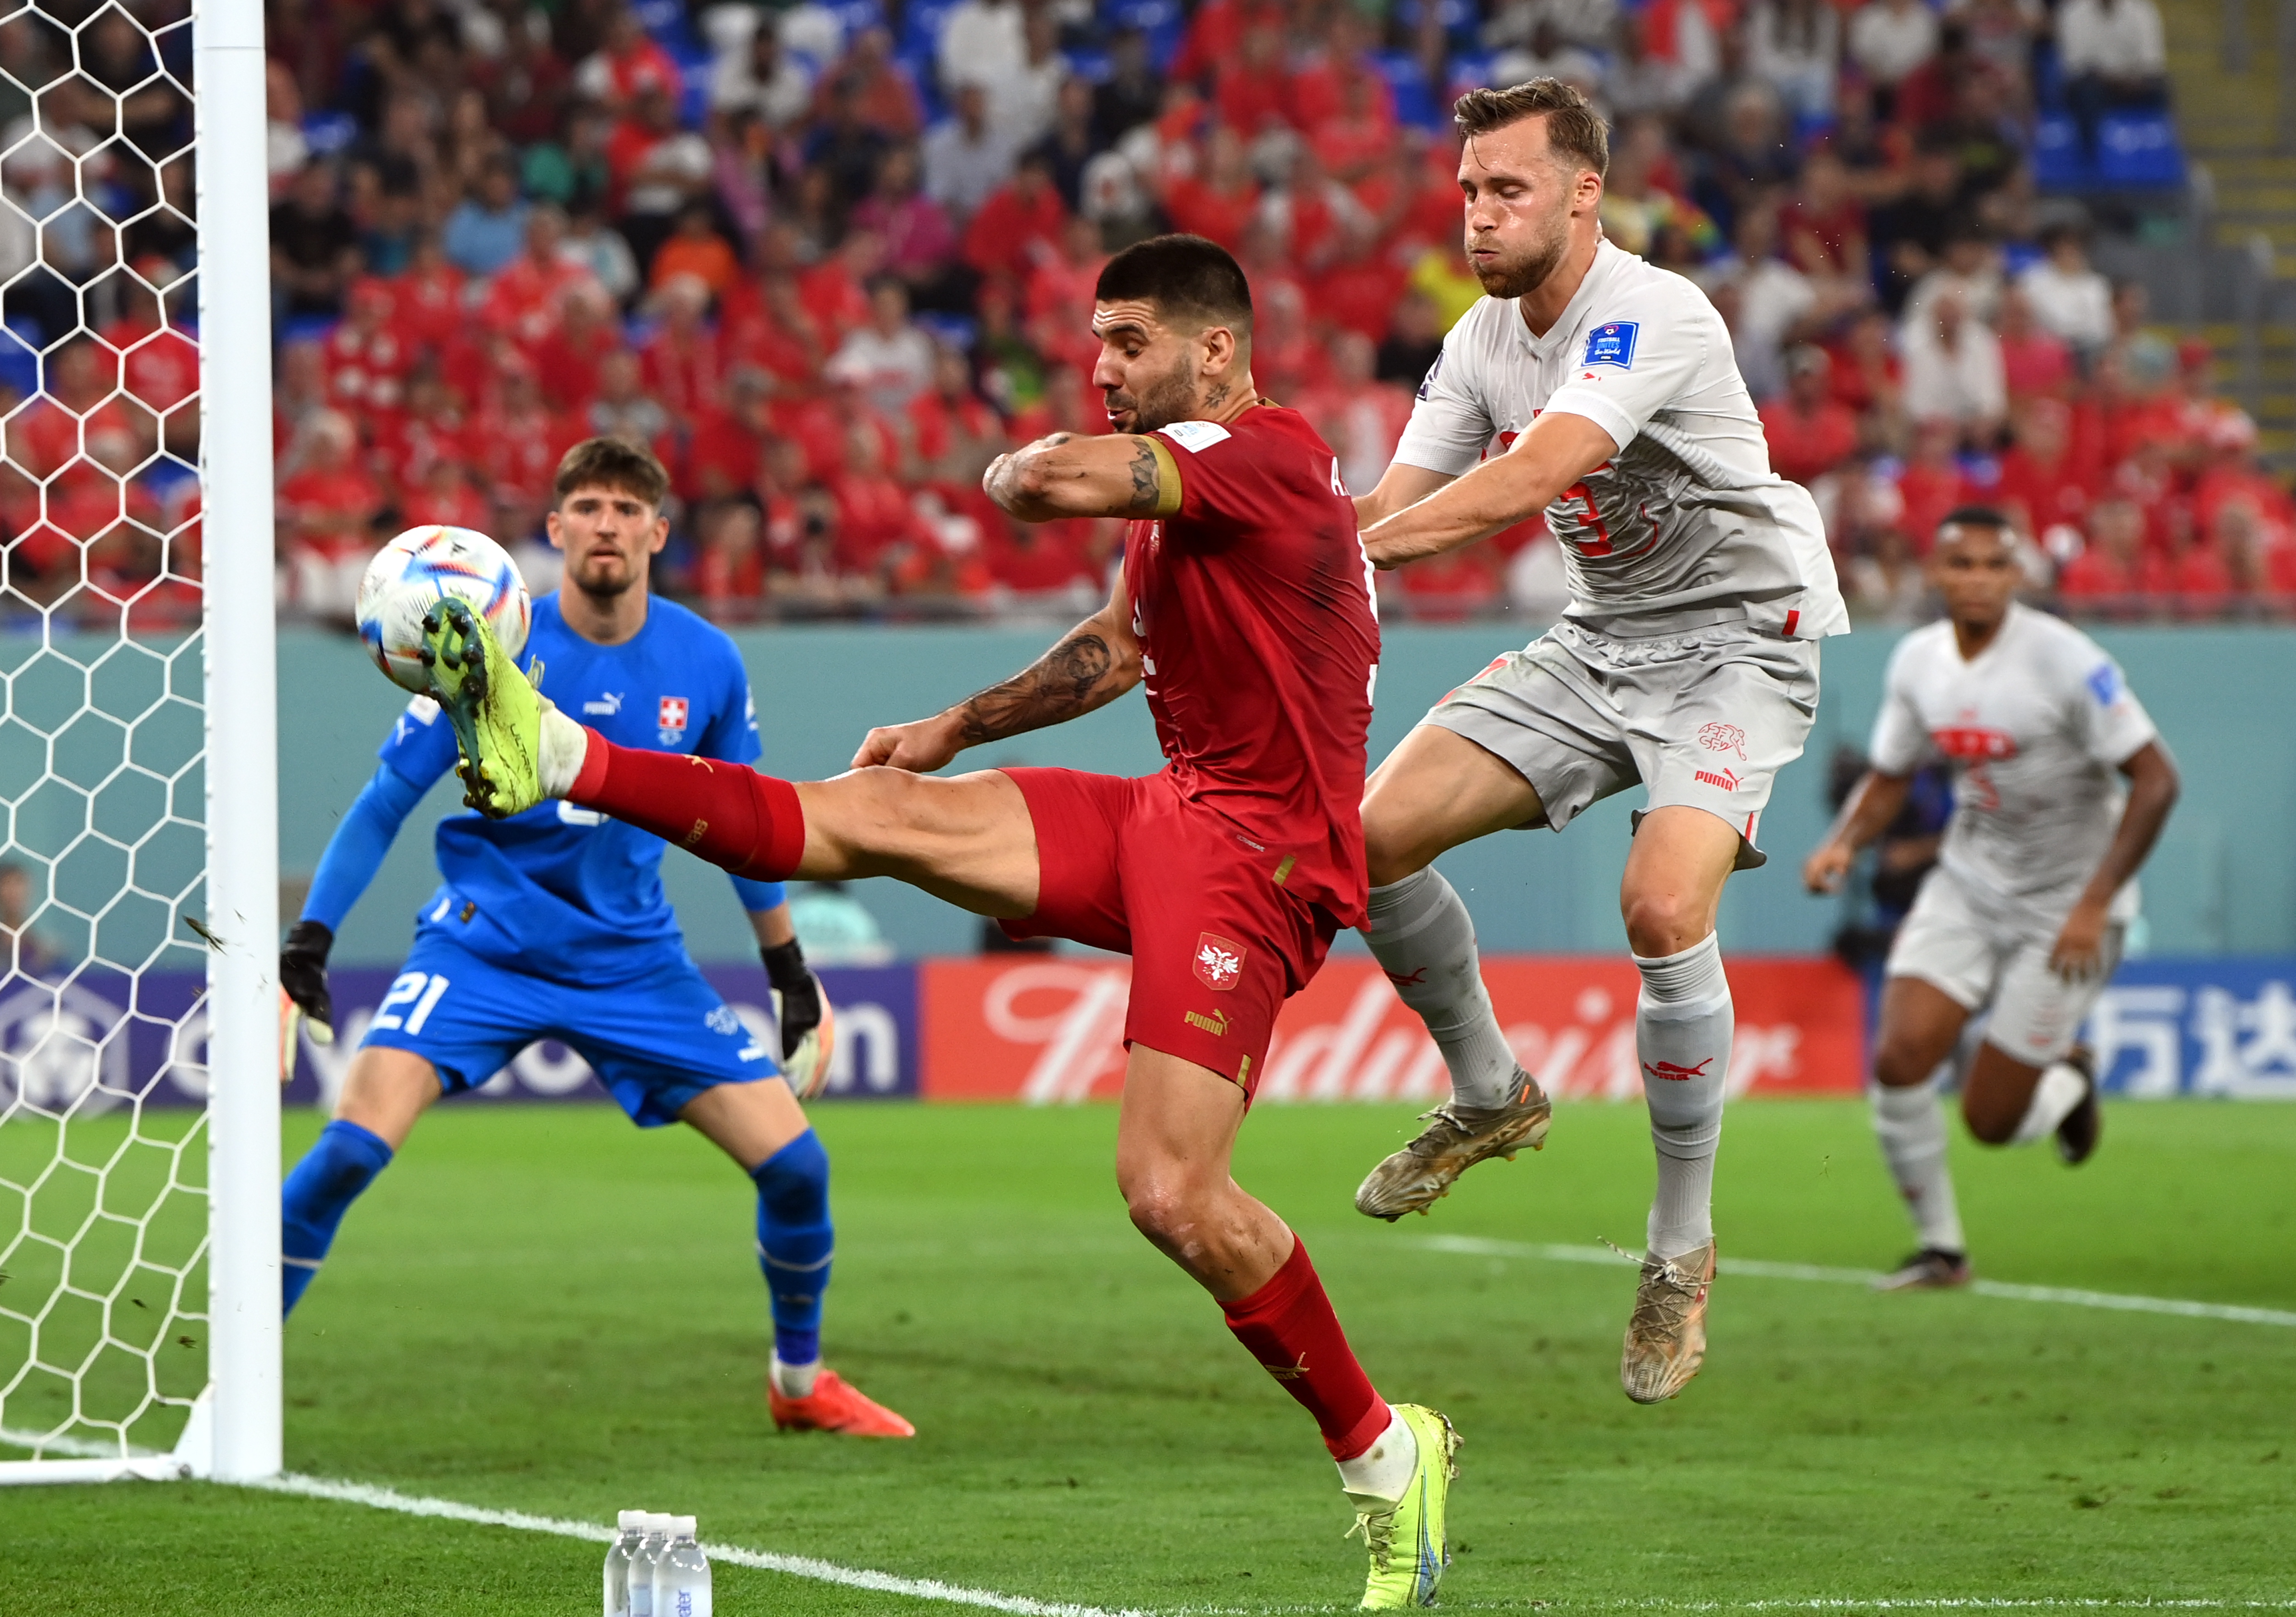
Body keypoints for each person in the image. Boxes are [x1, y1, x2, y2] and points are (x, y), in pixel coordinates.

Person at [414, 236, 1462, 1611]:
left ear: (1215, 350)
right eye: (1096, 340)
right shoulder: (1186, 502)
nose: (1101, 367)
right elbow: (1116, 648)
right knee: (877, 808)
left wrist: (1019, 468)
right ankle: (556, 754)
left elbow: (1054, 480)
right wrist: (952, 726)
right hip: (1168, 813)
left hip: (1259, 862)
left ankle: (1391, 1456)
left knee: (1171, 1194)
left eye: (1128, 342)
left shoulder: (1265, 456)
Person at [1342, 79, 1847, 1405]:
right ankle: (1492, 1092)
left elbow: (1523, 482)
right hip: (1605, 637)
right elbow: (1396, 500)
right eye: (1466, 191)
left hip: (1740, 642)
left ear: (1584, 193)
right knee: (1369, 838)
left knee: (1660, 902)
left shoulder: (1653, 311)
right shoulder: (1476, 345)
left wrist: (1331, 551)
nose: (1478, 214)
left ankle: (1679, 1250)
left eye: (1507, 189)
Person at [274, 438, 912, 1439]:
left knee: (798, 1169)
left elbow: (742, 825)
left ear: (658, 532)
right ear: (556, 530)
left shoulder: (707, 661)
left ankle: (798, 1387)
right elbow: (384, 801)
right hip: (484, 947)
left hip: (633, 964)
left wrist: (789, 970)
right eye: (586, 506)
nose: (606, 523)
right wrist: (308, 943)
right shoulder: (484, 641)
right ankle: (235, 1381)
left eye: (626, 508)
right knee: (349, 1150)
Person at [1802, 509, 2178, 1289]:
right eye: (1961, 564)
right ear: (1936, 575)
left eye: (1992, 565)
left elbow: (2156, 779)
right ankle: (1941, 1250)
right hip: (1971, 884)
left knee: (1991, 1122)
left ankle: (2070, 1077)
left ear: (2017, 577)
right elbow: (1894, 772)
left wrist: (2093, 903)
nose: (1976, 578)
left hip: (2069, 906)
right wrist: (1845, 841)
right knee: (1900, 1057)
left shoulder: (2066, 661)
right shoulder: (1917, 662)